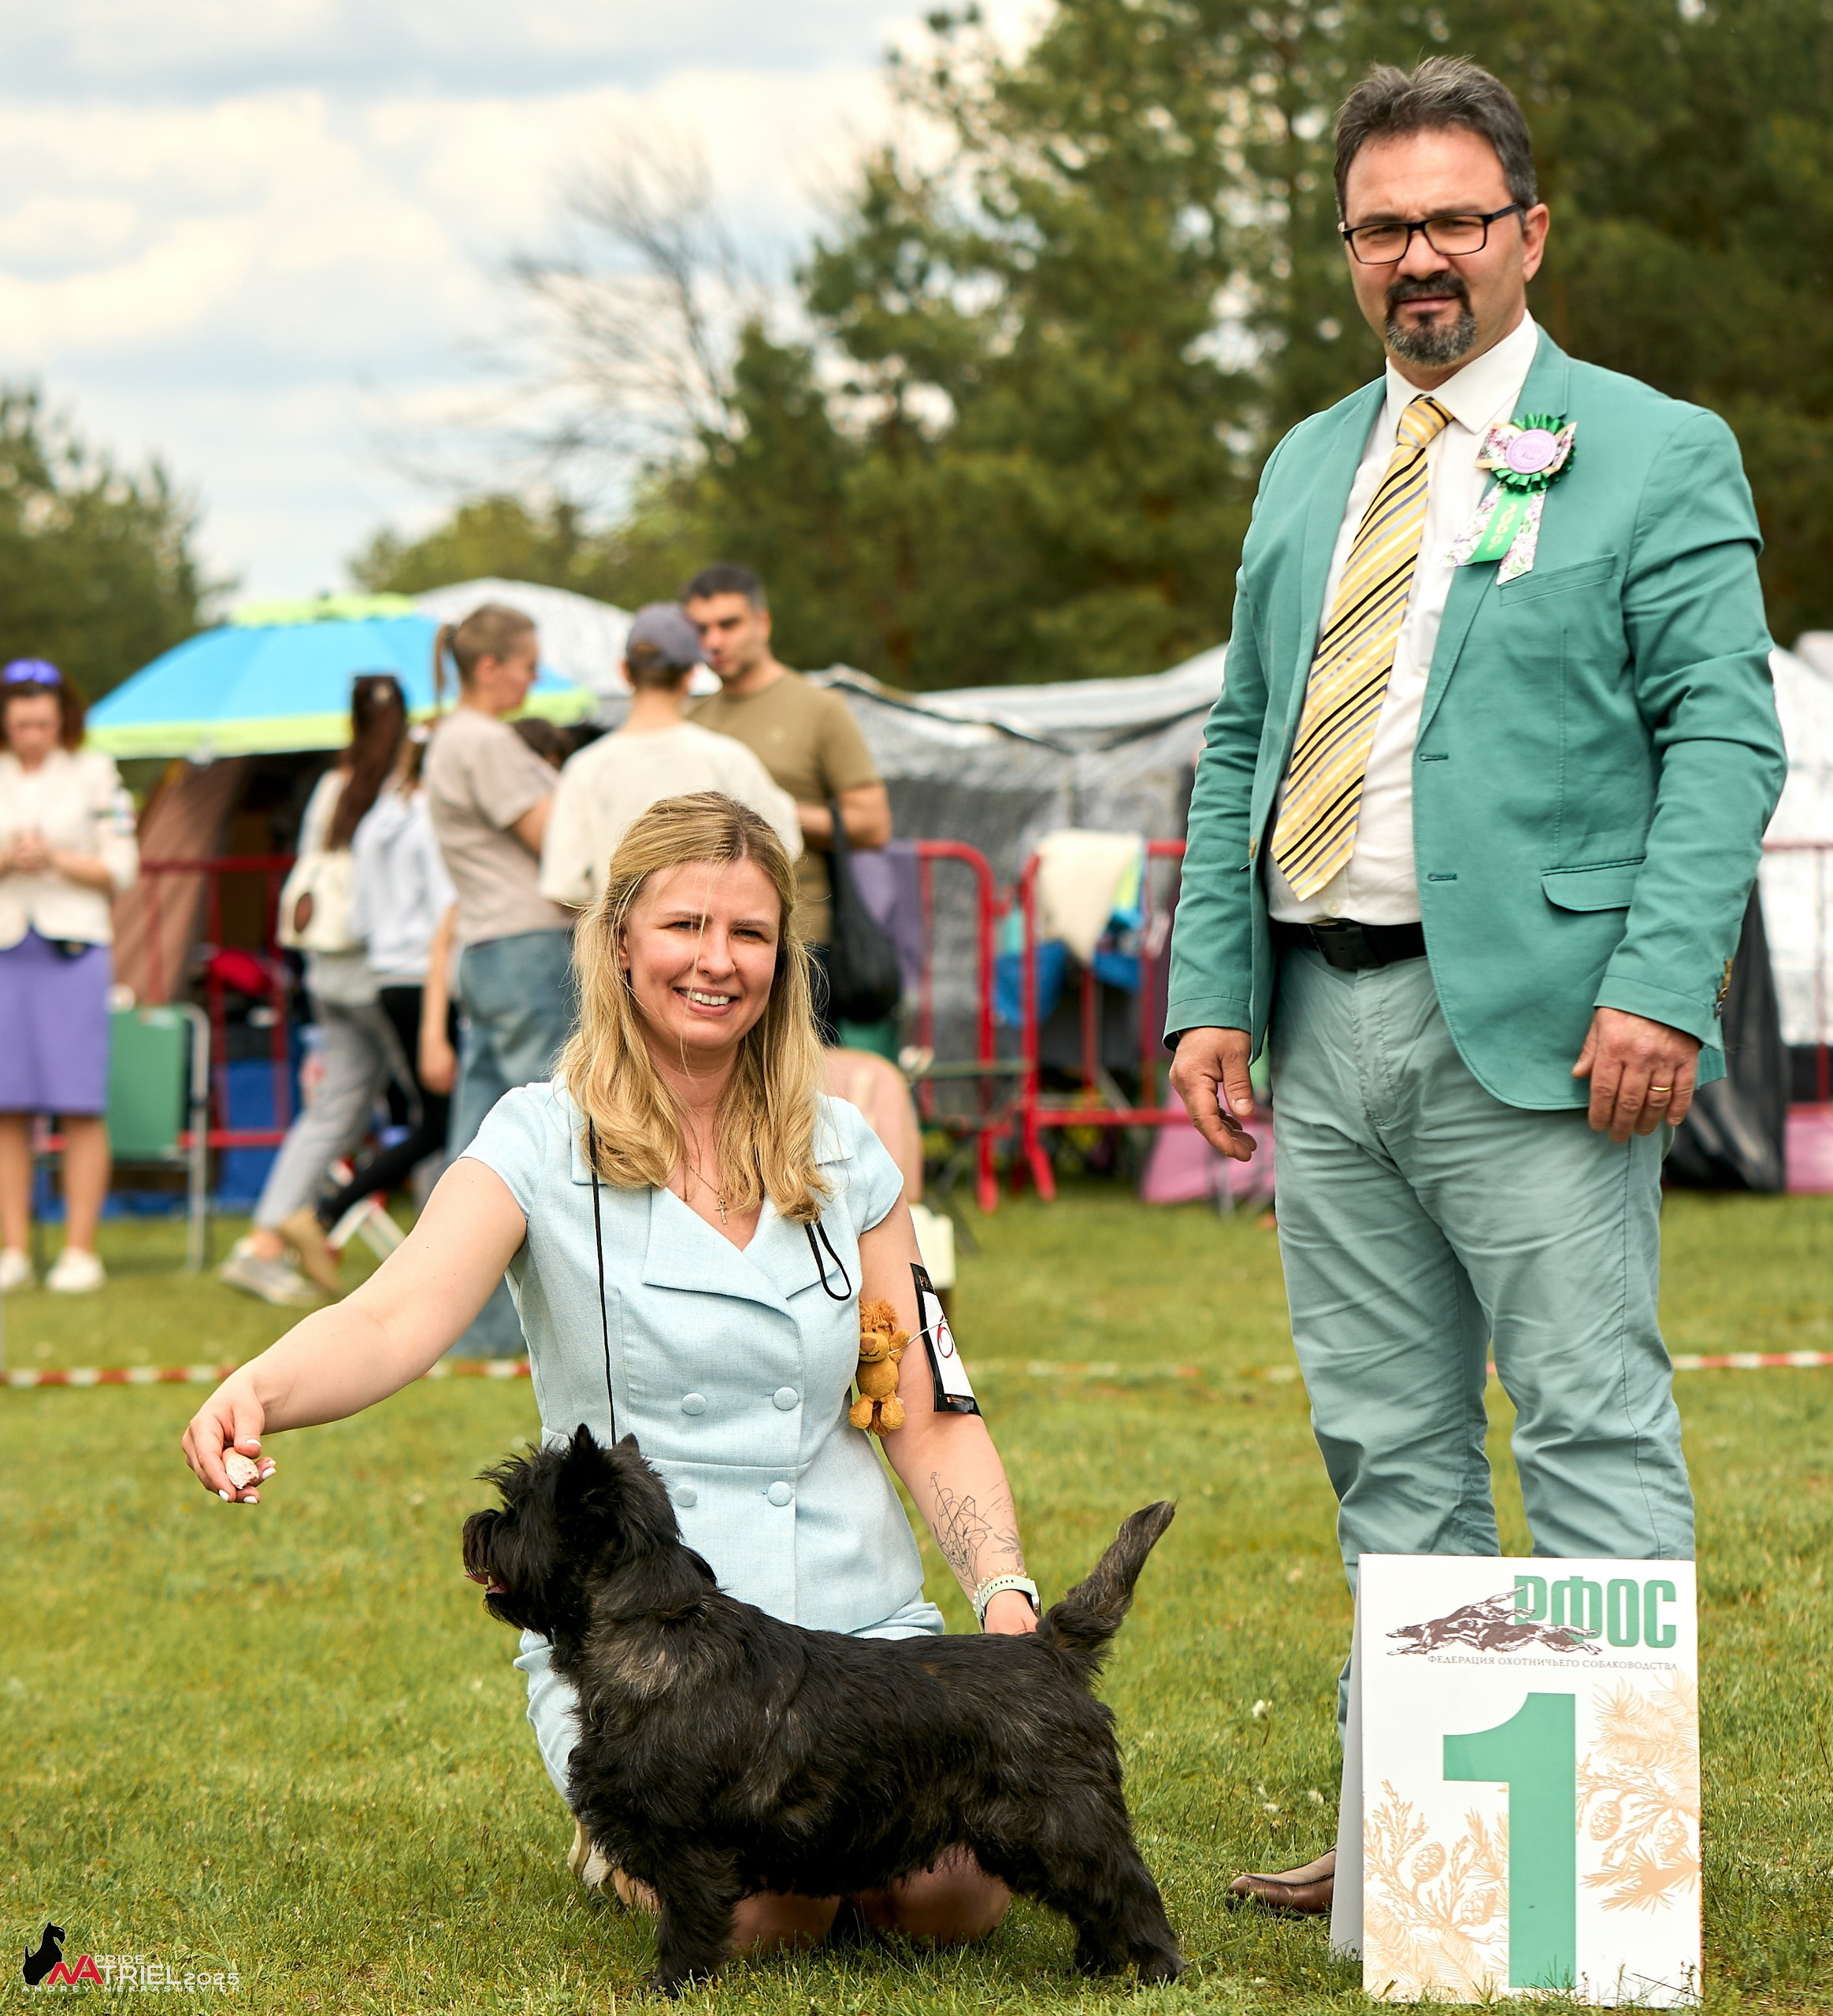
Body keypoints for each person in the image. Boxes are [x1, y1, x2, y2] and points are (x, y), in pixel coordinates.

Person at [1164, 56, 1786, 1916]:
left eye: (1449, 218)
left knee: (1583, 1421)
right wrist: (1209, 990)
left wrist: (1658, 985)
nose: (1415, 255)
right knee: (1385, 1443)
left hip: (1548, 1029)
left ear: (1528, 230)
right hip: (1320, 1019)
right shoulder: (1302, 461)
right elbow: (1242, 738)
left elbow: (1722, 739)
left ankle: (1584, 1874)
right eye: (1380, 227)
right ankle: (1422, 1835)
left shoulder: (1654, 447)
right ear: (1346, 249)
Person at [182, 791, 1034, 1951]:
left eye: (748, 933)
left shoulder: (844, 1146)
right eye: (684, 925)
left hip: (855, 1639)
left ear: (784, 958)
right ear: (619, 939)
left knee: (953, 1895)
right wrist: (261, 1390)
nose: (716, 961)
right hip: (651, 1656)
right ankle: (618, 1826)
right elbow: (391, 1316)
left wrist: (1003, 1598)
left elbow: (926, 1412)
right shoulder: (537, 1139)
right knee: (760, 1912)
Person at [220, 676, 414, 1306]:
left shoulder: (332, 785)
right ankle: (446, 1255)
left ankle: (264, 1243)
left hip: (326, 969)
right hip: (383, 971)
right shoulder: (402, 790)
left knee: (335, 1110)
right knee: (433, 1110)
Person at [423, 602, 574, 1355]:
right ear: (489, 667)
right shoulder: (483, 740)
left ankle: (467, 1328)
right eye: (525, 664)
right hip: (526, 948)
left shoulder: (450, 738)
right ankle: (561, 1316)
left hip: (484, 951)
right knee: (555, 1134)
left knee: (478, 1151)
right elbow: (559, 841)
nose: (532, 679)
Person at [682, 565, 890, 1037]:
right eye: (701, 629)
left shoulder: (819, 708)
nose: (714, 641)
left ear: (763, 623)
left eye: (729, 624)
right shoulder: (691, 719)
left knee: (799, 1077)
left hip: (800, 935)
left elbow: (873, 823)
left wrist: (770, 810)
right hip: (706, 939)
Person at [0, 660, 138, 1294]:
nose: (33, 734)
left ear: (64, 719)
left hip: (74, 950)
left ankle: (80, 1251)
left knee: (80, 1103)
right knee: (7, 1106)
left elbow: (123, 867)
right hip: (7, 946)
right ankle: (13, 1251)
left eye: (44, 723)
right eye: (21, 723)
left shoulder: (95, 772)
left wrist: (54, 858)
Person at [302, 728, 458, 1255]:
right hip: (429, 975)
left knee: (432, 1121)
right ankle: (333, 1208)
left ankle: (339, 1209)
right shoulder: (436, 820)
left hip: (386, 976)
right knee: (442, 1124)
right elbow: (447, 907)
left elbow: (360, 917)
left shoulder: (376, 820)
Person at [540, 602, 802, 912]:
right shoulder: (729, 758)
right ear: (690, 675)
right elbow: (784, 847)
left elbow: (566, 887)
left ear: (624, 671)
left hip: (621, 937)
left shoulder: (585, 768)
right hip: (718, 933)